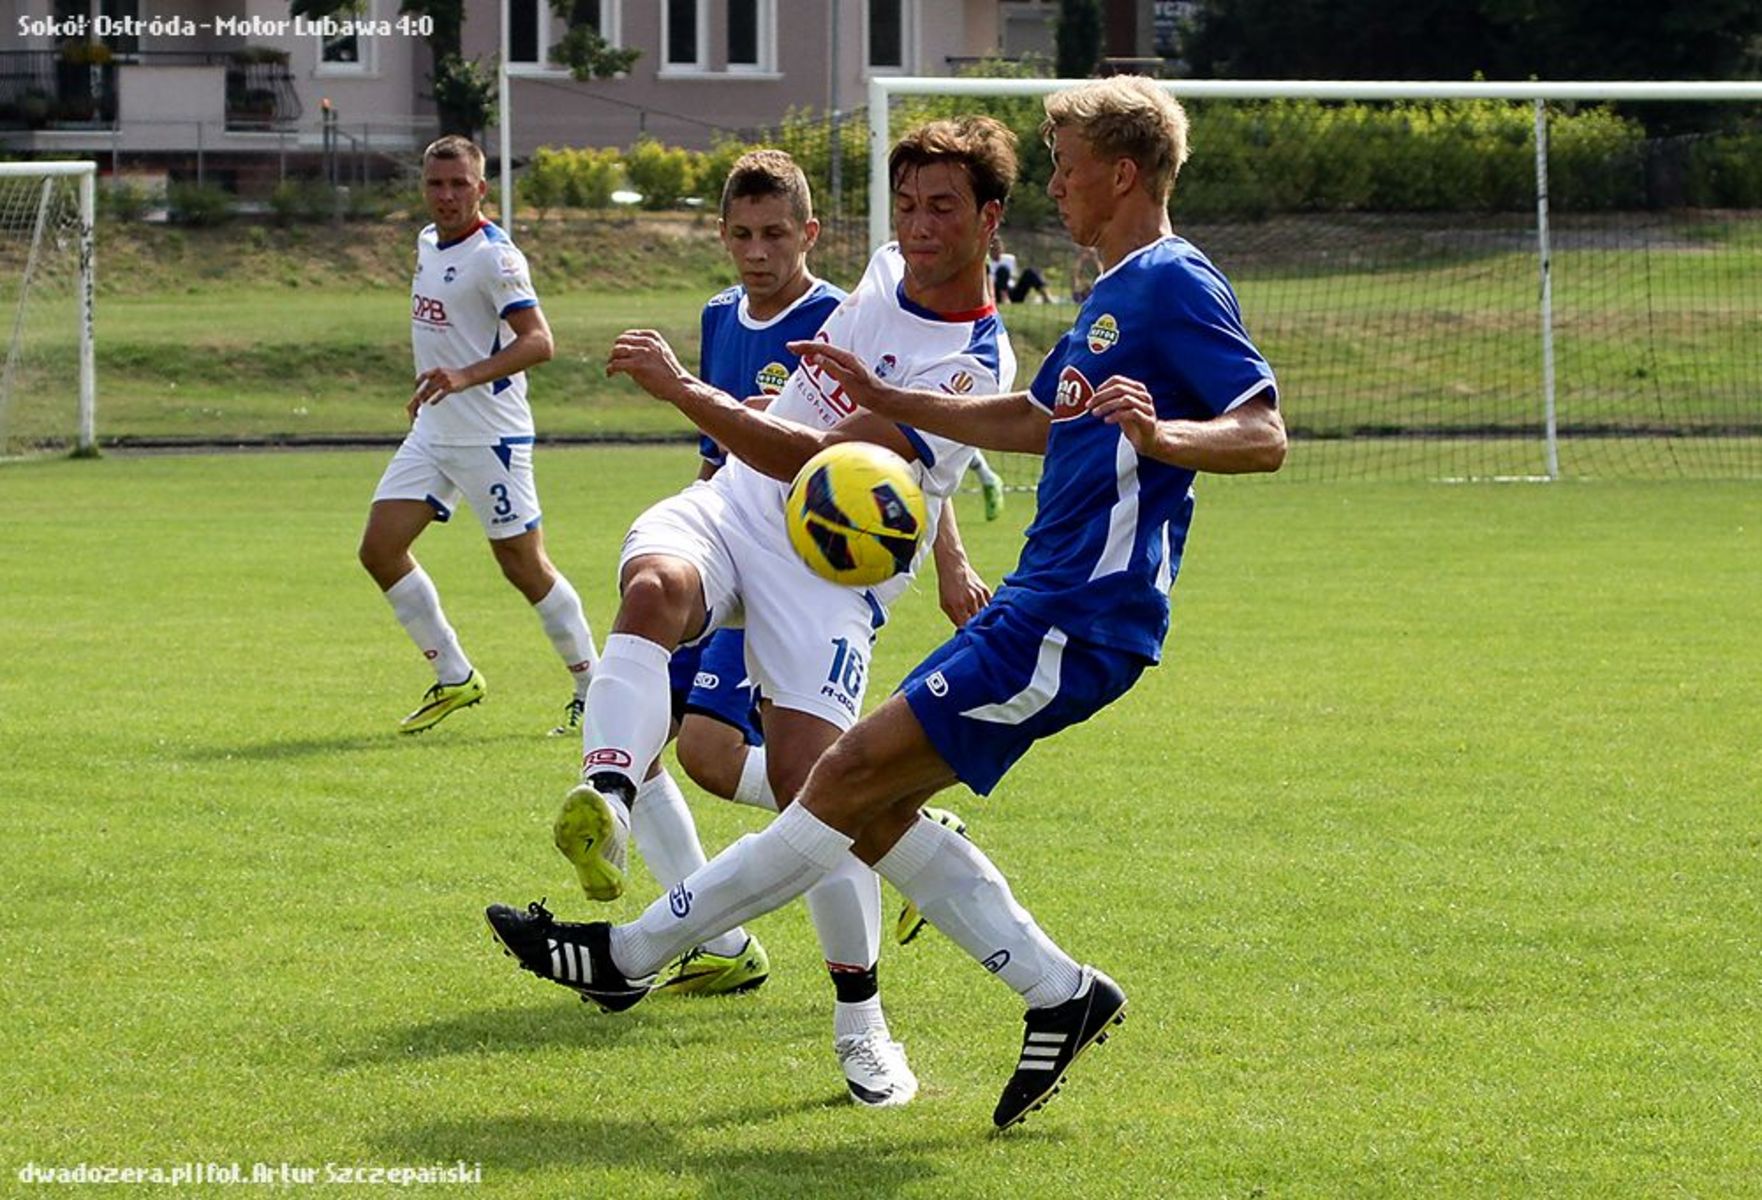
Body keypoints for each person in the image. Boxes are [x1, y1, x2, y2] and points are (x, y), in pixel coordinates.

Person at [485, 76, 1286, 1130]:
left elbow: (1263, 432)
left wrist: (1167, 438)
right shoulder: (1107, 292)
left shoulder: (1172, 281)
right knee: (860, 793)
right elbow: (1041, 421)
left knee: (842, 783)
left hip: (1078, 616)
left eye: (1070, 164)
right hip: (1037, 602)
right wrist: (893, 397)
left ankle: (629, 953)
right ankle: (1057, 992)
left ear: (1123, 173)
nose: (1059, 182)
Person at [496, 119, 1018, 1108]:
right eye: (906, 204)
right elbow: (771, 446)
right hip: (733, 507)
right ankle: (606, 805)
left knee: (815, 793)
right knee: (650, 592)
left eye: (942, 207)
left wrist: (682, 388)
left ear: (990, 219)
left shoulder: (969, 372)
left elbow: (813, 463)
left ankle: (861, 1023)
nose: (917, 226)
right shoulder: (878, 273)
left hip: (828, 572)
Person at [358, 135, 598, 735]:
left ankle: (595, 689)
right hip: (434, 433)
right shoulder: (426, 243)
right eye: (436, 184)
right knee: (379, 549)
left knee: (525, 567)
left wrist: (463, 376)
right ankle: (455, 675)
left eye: (459, 184)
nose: (446, 195)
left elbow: (540, 341)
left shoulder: (497, 257)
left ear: (482, 188)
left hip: (491, 439)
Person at [989, 235, 1051, 304]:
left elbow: (1014, 277)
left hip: (1011, 291)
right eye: (993, 249)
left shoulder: (1010, 259)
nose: (996, 251)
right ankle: (1004, 298)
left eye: (998, 248)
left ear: (1002, 248)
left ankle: (1046, 296)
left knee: (1029, 272)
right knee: (1002, 270)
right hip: (995, 292)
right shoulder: (986, 261)